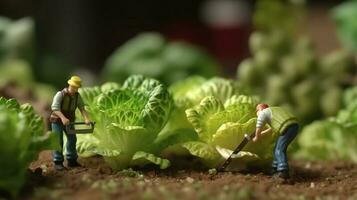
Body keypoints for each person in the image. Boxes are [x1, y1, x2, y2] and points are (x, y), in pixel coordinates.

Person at [50, 76, 91, 170]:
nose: (74, 89)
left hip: (70, 121)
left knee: (72, 139)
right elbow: (55, 108)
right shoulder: (60, 94)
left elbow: (81, 108)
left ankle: (72, 160)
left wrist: (86, 118)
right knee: (58, 140)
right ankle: (58, 161)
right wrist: (63, 118)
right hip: (57, 121)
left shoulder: (77, 96)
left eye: (76, 87)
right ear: (69, 85)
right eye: (73, 86)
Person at [253, 103, 299, 179]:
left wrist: (256, 137)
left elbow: (259, 126)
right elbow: (271, 129)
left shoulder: (262, 113)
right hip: (293, 126)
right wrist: (261, 134)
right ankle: (274, 168)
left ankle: (283, 171)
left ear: (259, 110)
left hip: (287, 128)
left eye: (256, 113)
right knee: (277, 148)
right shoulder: (273, 110)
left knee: (279, 150)